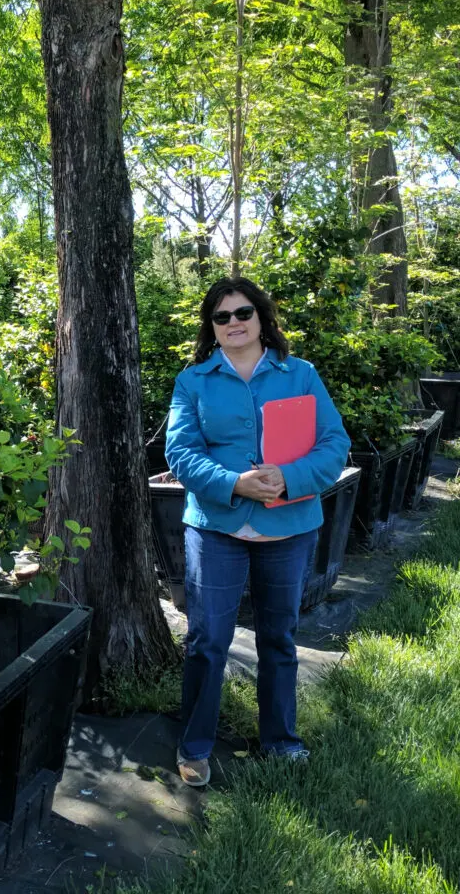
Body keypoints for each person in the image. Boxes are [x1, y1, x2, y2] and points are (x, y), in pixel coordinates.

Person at [164, 277, 349, 787]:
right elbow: (180, 453)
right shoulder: (193, 381)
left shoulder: (302, 375)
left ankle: (280, 740)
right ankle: (195, 745)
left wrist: (287, 479)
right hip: (217, 528)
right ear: (212, 328)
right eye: (221, 318)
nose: (233, 324)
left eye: (242, 313)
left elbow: (334, 443)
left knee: (279, 638)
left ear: (262, 317)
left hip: (288, 528)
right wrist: (234, 484)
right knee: (207, 640)